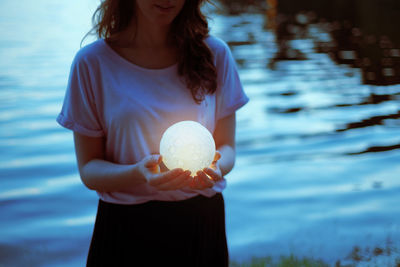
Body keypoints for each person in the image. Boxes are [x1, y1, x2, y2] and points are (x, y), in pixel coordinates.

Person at [56, 0, 249, 266]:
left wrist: (217, 168)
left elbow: (227, 148)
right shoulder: (92, 63)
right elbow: (89, 169)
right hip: (125, 226)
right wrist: (139, 173)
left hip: (201, 221)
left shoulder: (215, 54)